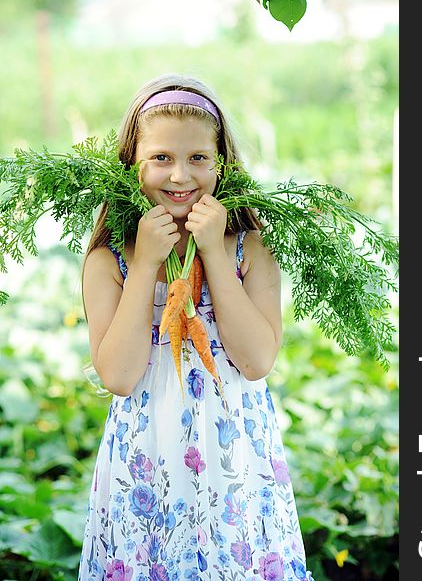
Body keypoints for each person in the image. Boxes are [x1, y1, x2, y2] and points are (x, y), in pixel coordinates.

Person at [78, 73, 314, 581]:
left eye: (198, 158)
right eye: (161, 158)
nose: (180, 175)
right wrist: (145, 268)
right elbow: (119, 375)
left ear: (221, 164)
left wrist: (212, 249)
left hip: (233, 458)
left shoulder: (249, 249)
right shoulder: (111, 260)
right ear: (131, 164)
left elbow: (255, 362)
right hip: (147, 455)